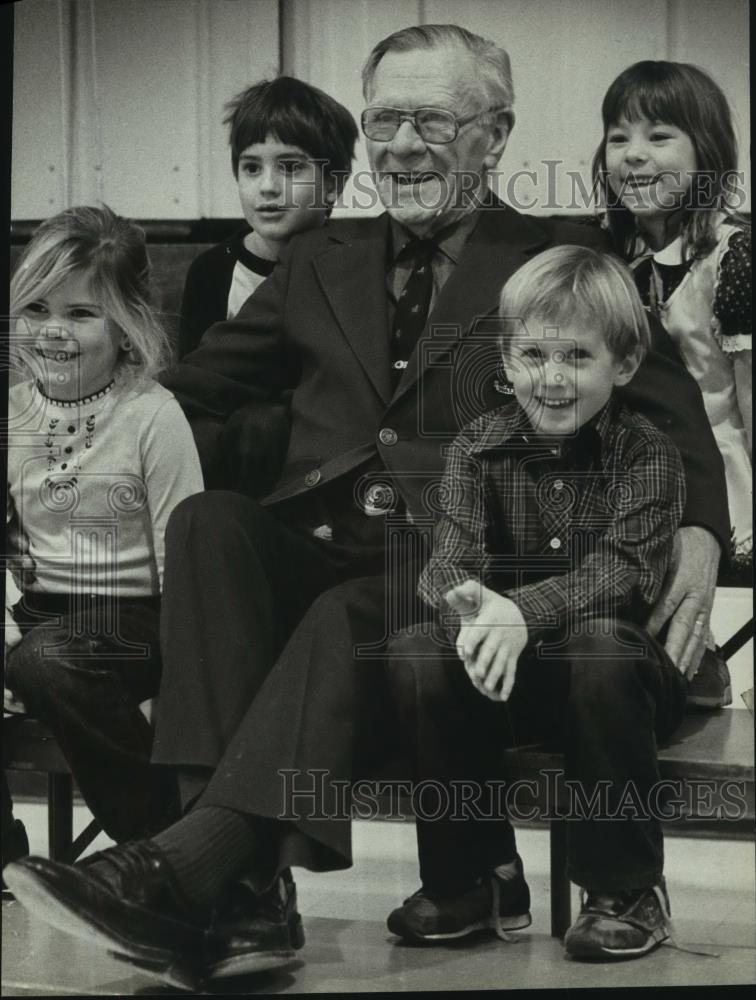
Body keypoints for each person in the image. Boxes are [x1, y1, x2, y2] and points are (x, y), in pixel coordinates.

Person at [3, 24, 730, 991]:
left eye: (434, 119)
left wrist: (700, 530)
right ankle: (242, 887)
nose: (403, 145)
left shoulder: (563, 251)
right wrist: (53, 437)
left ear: (497, 134)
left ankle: (207, 878)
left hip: (456, 574)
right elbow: (190, 390)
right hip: (319, 543)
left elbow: (667, 410)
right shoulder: (320, 257)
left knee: (354, 609)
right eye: (386, 118)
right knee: (209, 525)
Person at [385, 245, 687, 960]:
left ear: (625, 366)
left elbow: (622, 571)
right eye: (532, 355)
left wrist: (520, 611)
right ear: (506, 358)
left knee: (599, 647)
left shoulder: (647, 454)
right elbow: (448, 561)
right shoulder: (475, 448)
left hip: (621, 680)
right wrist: (463, 603)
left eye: (577, 358)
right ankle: (475, 878)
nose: (550, 380)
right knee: (415, 653)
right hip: (509, 671)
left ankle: (628, 888)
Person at [3, 206, 204, 855]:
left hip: (135, 623)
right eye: (36, 309)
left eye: (80, 314)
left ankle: (167, 849)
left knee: (48, 657)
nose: (53, 332)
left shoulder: (152, 415)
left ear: (126, 326)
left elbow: (188, 566)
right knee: (38, 649)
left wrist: (179, 694)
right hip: (41, 614)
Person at [593, 60, 752, 705]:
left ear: (705, 150)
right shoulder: (603, 251)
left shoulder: (736, 256)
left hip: (720, 467)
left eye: (659, 137)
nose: (634, 156)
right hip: (629, 467)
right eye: (618, 137)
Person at [177, 76, 358, 359]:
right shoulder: (212, 273)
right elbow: (195, 384)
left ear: (333, 185)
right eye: (251, 168)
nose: (267, 186)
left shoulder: (355, 267)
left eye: (289, 167)